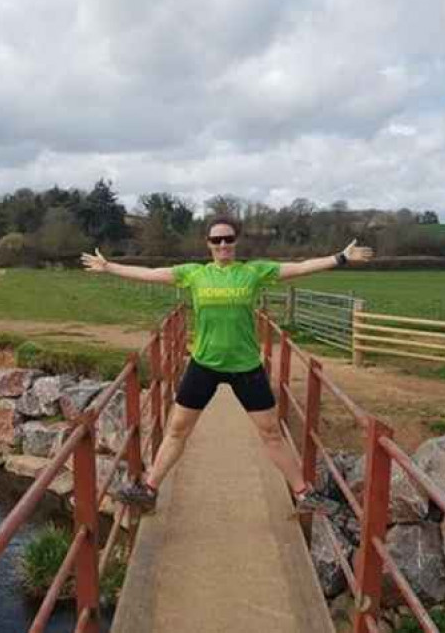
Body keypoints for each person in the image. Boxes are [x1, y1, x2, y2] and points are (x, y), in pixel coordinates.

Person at [80, 216, 374, 514]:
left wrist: (341, 258)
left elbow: (299, 267)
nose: (223, 245)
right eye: (217, 240)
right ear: (208, 244)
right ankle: (150, 489)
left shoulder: (253, 272)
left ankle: (303, 494)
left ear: (235, 242)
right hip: (203, 364)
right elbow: (151, 273)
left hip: (245, 366)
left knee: (271, 432)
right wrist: (109, 267)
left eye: (228, 239)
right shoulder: (194, 274)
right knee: (177, 430)